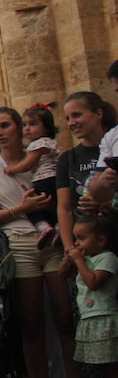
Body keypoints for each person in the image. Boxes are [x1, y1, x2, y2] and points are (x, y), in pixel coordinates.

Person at [0, 106, 80, 378]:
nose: (0, 132)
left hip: (53, 244)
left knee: (64, 318)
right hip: (19, 244)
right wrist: (23, 208)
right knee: (31, 322)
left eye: (5, 125)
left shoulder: (44, 156)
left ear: (20, 127)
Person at [69, 217, 118, 378]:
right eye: (75, 238)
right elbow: (63, 275)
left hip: (106, 319)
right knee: (105, 373)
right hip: (91, 319)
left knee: (113, 373)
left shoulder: (108, 258)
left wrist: (79, 262)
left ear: (101, 240)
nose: (77, 244)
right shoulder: (87, 259)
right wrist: (69, 260)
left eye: (81, 238)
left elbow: (94, 283)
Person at [57, 92, 117, 256]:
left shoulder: (113, 147)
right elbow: (64, 208)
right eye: (67, 118)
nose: (71, 123)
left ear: (98, 113)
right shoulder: (67, 159)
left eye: (76, 115)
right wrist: (69, 248)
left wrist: (105, 203)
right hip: (85, 247)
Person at [3, 105, 61, 246]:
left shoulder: (40, 144)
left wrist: (12, 169)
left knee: (30, 205)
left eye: (33, 124)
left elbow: (28, 164)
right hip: (56, 181)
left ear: (46, 127)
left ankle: (43, 228)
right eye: (24, 125)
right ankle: (58, 227)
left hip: (44, 180)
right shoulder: (50, 143)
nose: (27, 129)